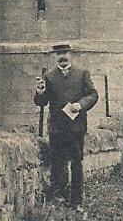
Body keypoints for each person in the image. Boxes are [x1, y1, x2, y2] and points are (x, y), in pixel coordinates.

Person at [34, 43, 99, 210]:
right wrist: (40, 91)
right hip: (57, 128)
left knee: (77, 163)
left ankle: (76, 201)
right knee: (57, 163)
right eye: (58, 54)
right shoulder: (48, 76)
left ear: (71, 55)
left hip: (76, 127)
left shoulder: (82, 74)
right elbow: (41, 103)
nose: (62, 56)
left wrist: (80, 105)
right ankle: (59, 199)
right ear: (54, 57)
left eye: (65, 53)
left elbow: (93, 94)